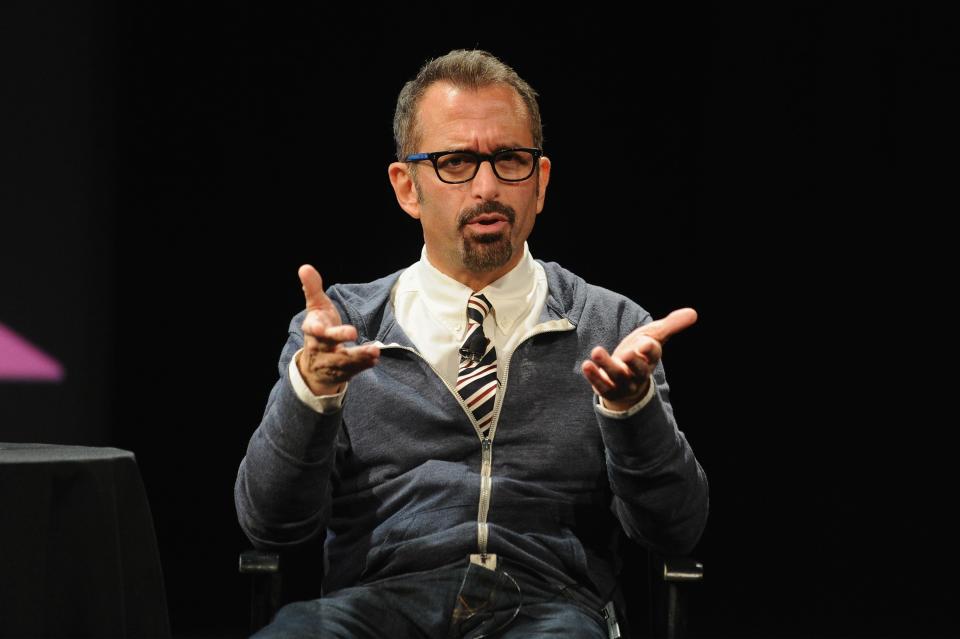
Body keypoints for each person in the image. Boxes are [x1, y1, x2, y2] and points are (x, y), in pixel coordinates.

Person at [236, 49, 708, 638]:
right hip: (377, 606)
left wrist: (631, 414)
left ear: (540, 182)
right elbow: (271, 526)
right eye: (457, 162)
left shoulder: (611, 328)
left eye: (510, 160)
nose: (487, 187)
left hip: (550, 607)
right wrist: (312, 394)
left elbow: (675, 532)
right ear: (407, 187)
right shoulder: (343, 328)